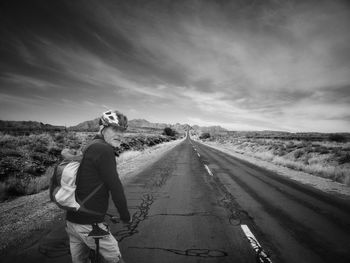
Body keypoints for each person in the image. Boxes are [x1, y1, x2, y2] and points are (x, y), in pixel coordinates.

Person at [65, 110, 131, 263]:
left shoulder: (91, 145)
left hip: (72, 221)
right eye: (114, 129)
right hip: (90, 225)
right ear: (102, 128)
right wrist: (125, 215)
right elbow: (115, 187)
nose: (120, 134)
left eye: (122, 130)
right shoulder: (104, 149)